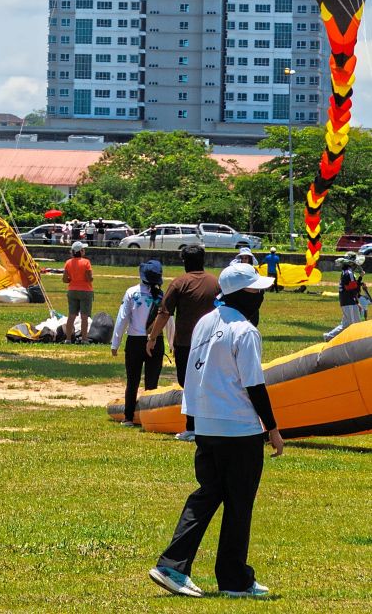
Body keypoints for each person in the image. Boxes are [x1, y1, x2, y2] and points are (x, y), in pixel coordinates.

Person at [149, 262, 283, 599]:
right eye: (256, 291)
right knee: (239, 503)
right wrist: (273, 429)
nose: (261, 296)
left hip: (206, 424)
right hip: (238, 427)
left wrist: (192, 419)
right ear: (242, 294)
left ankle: (173, 565)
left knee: (207, 494)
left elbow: (195, 373)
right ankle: (233, 579)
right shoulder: (246, 332)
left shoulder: (204, 323)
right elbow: (254, 385)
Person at [147, 244, 220, 442]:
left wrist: (152, 337)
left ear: (185, 262)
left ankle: (192, 426)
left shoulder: (179, 283)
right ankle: (207, 424)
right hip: (213, 342)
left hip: (187, 343)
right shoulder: (215, 283)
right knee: (209, 383)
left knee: (187, 383)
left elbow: (164, 314)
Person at [111, 260, 168, 426]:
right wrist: (172, 342)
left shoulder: (132, 293)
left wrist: (115, 343)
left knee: (132, 380)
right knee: (152, 383)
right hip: (155, 340)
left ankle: (129, 417)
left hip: (135, 341)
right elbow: (168, 321)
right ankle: (149, 418)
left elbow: (122, 318)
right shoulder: (162, 296)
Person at [62, 240, 94, 343]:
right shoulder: (86, 262)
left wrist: (72, 279)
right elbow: (89, 278)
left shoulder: (68, 262)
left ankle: (68, 339)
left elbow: (65, 279)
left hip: (72, 290)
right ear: (81, 251)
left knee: (71, 315)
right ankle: (84, 339)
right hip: (85, 290)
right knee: (84, 317)